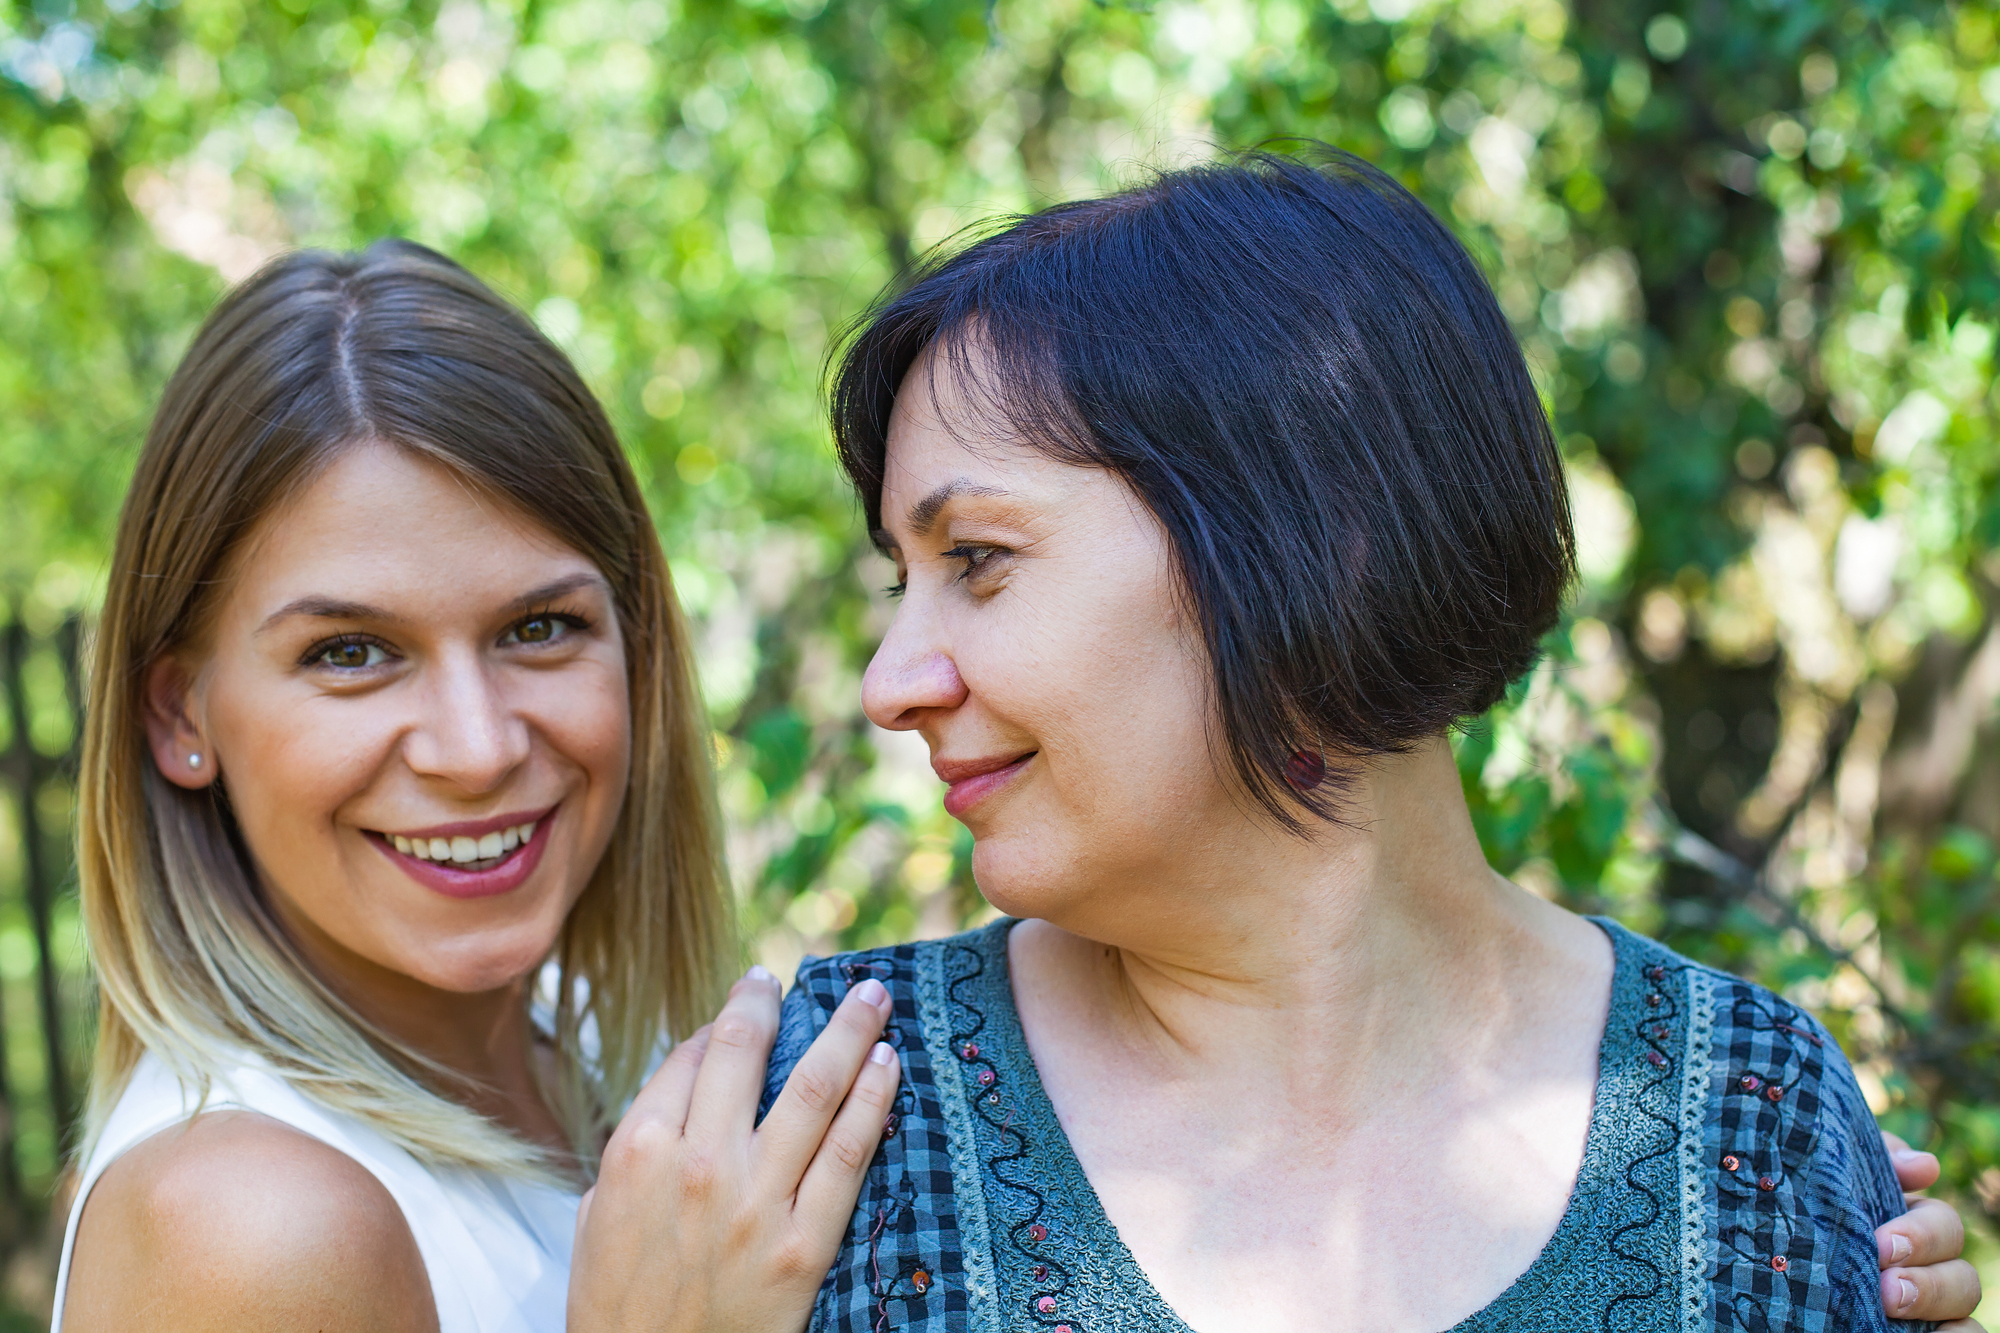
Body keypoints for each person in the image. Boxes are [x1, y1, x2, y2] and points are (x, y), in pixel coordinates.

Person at [759, 149, 1989, 1332]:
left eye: (976, 559)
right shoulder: (827, 1117)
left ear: (1314, 539)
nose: (890, 684)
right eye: (899, 582)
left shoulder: (1753, 1121)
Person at [53, 240, 901, 1333]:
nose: (476, 747)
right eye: (350, 652)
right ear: (179, 714)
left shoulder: (607, 1070)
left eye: (538, 628)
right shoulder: (252, 1225)